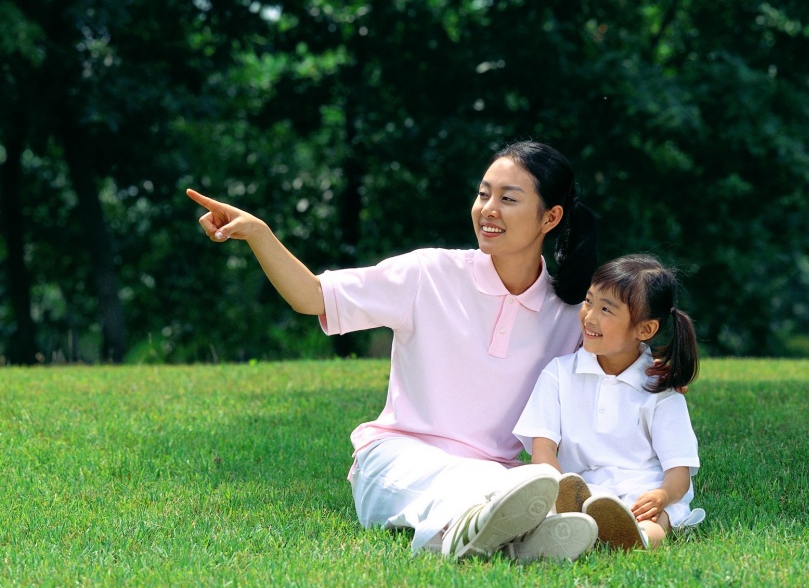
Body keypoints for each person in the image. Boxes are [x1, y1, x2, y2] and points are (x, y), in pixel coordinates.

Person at [187, 141, 601, 561]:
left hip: (501, 473)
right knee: (488, 485)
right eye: (483, 194)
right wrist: (258, 232)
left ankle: (502, 537)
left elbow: (621, 367)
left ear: (550, 217)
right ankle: (494, 530)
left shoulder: (569, 313)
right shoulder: (427, 273)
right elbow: (313, 296)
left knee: (520, 484)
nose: (488, 209)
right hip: (396, 461)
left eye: (508, 199)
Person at [514, 254, 705, 551]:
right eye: (589, 301)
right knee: (532, 502)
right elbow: (543, 451)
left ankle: (628, 538)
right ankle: (576, 525)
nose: (589, 317)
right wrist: (558, 489)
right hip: (578, 492)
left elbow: (679, 473)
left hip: (641, 496)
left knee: (652, 527)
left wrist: (662, 497)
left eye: (606, 309)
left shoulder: (660, 387)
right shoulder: (559, 374)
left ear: (645, 329)